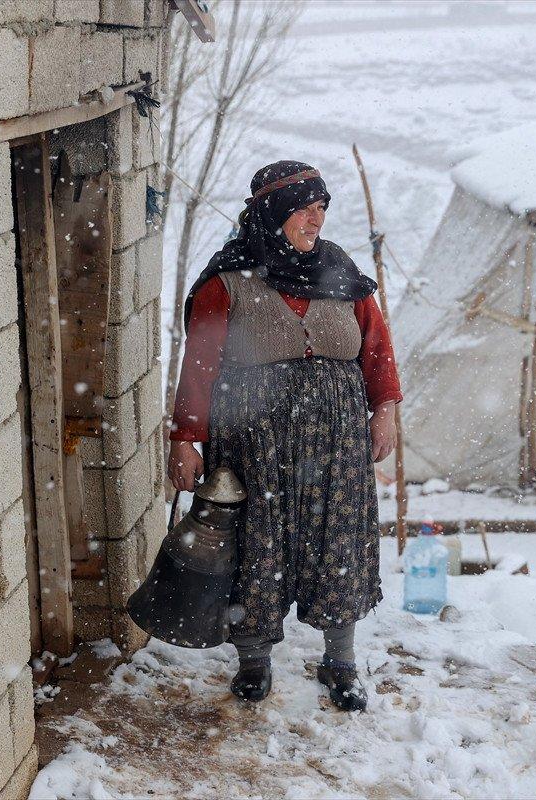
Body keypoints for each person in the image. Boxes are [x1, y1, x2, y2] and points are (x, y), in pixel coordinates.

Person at [168, 161, 402, 712]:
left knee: (337, 541)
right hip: (255, 441)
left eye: (322, 208)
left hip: (338, 442)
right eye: (305, 207)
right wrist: (185, 437)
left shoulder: (340, 270)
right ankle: (254, 662)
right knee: (256, 545)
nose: (316, 218)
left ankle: (340, 659)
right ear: (274, 212)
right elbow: (198, 365)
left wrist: (385, 408)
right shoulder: (227, 281)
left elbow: (376, 346)